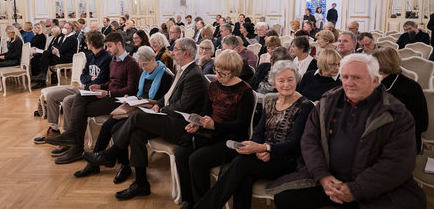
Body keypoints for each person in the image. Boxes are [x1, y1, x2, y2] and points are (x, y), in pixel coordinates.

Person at [272, 53, 426, 209]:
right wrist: (322, 176)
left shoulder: (396, 113)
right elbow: (310, 140)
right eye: (345, 77)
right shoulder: (328, 102)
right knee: (285, 198)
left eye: (357, 78)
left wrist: (356, 189)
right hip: (329, 180)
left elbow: (397, 163)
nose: (349, 83)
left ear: (375, 80)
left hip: (372, 187)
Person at [82, 38, 208, 200]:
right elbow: (169, 96)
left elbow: (181, 106)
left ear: (186, 52)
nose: (172, 52)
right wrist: (159, 105)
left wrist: (160, 108)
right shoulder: (183, 70)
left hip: (182, 126)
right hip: (170, 118)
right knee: (136, 134)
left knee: (138, 116)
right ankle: (141, 183)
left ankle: (110, 154)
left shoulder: (194, 75)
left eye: (175, 49)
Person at [195, 60, 314, 209]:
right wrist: (259, 149)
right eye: (281, 80)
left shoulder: (305, 106)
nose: (286, 84)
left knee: (241, 163)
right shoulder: (271, 102)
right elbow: (258, 132)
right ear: (274, 83)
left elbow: (294, 143)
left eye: (290, 80)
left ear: (296, 80)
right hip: (264, 154)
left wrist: (264, 148)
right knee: (244, 174)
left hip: (287, 161)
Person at [74, 46, 173, 181]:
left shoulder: (166, 76)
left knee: (116, 129)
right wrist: (130, 98)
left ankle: (124, 166)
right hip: (137, 106)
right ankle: (94, 164)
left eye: (145, 64)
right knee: (107, 125)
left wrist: (143, 100)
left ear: (153, 59)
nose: (143, 68)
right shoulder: (144, 74)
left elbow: (164, 102)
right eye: (141, 65)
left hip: (150, 110)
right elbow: (138, 92)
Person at [45, 32, 141, 164]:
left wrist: (106, 93)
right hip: (109, 94)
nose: (107, 49)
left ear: (119, 44)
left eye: (109, 46)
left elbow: (131, 90)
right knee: (79, 97)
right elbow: (110, 82)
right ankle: (73, 138)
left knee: (80, 107)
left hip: (120, 100)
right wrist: (99, 86)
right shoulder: (114, 61)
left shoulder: (131, 63)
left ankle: (76, 147)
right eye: (106, 46)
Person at [176, 50, 255, 208]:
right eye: (216, 71)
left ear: (233, 72)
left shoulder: (245, 91)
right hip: (210, 132)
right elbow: (207, 110)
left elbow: (242, 125)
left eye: (222, 73)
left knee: (196, 160)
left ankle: (202, 204)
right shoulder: (214, 85)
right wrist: (197, 121)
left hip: (231, 139)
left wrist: (215, 126)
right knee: (181, 153)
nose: (217, 76)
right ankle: (189, 199)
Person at [33, 31, 111, 158]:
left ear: (90, 43)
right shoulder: (91, 56)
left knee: (69, 100)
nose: (86, 42)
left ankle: (67, 137)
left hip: (92, 92)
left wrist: (90, 80)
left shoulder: (106, 58)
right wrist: (90, 79)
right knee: (52, 96)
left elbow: (101, 80)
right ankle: (54, 130)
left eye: (87, 40)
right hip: (82, 88)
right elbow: (83, 76)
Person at [372, 47, 428, 153]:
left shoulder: (411, 87)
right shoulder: (371, 82)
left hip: (401, 140)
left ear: (383, 64)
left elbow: (421, 124)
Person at [32, 22, 78, 89]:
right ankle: (42, 79)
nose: (63, 29)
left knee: (45, 55)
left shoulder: (72, 38)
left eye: (65, 28)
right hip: (59, 55)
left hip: (66, 58)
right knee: (43, 57)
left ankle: (42, 80)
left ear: (70, 29)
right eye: (63, 27)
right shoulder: (64, 36)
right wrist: (55, 49)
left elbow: (63, 49)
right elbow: (56, 45)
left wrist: (56, 50)